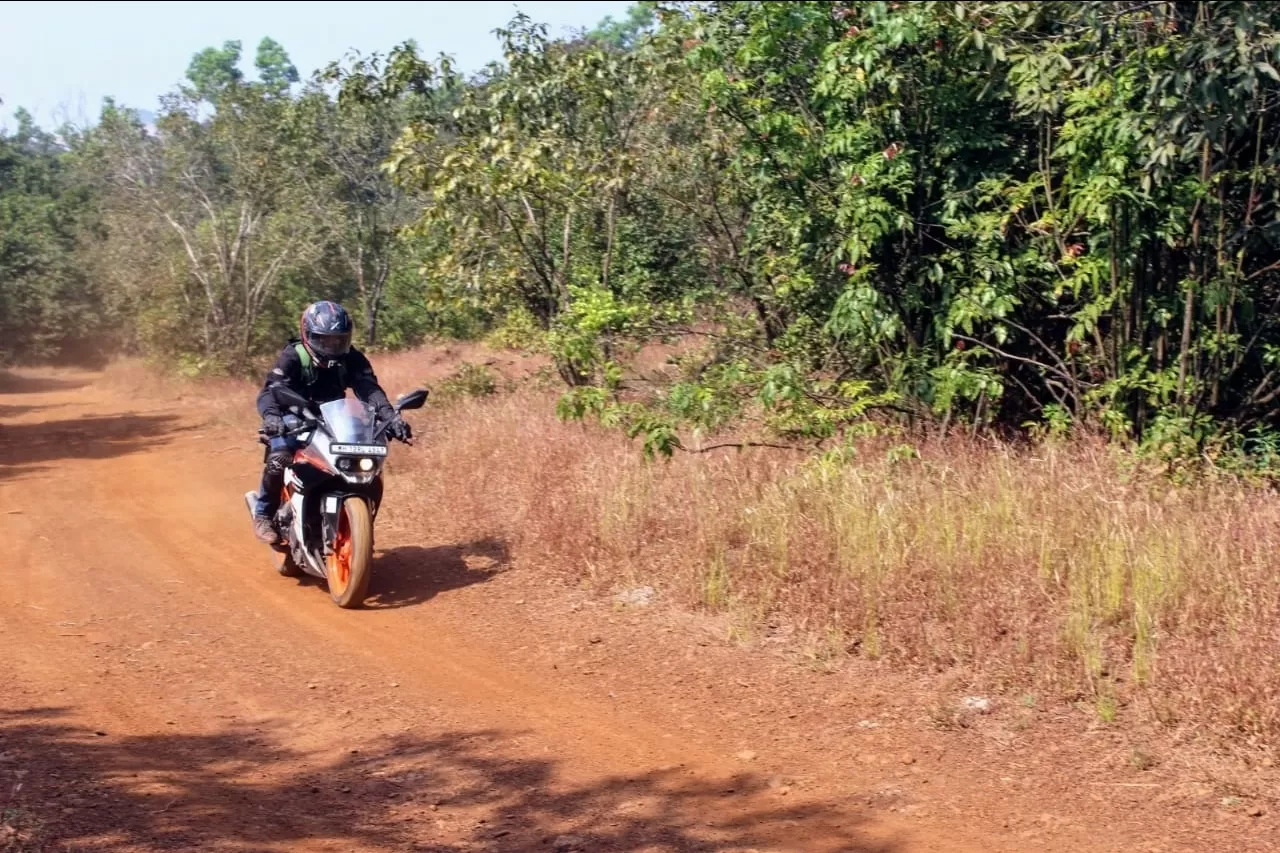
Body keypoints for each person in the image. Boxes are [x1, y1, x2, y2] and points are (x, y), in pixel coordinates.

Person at [251, 300, 412, 544]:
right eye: (324, 340)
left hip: (334, 416)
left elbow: (368, 388)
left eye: (339, 340)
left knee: (365, 466)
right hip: (292, 415)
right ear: (308, 335)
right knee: (279, 458)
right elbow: (271, 389)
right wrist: (272, 417)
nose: (332, 346)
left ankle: (354, 527)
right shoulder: (294, 356)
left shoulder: (352, 357)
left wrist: (390, 416)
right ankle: (263, 513)